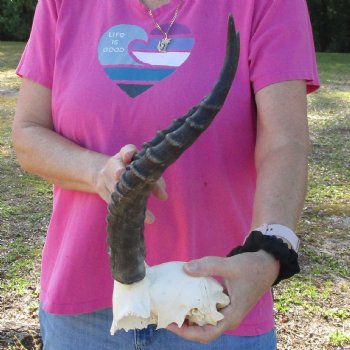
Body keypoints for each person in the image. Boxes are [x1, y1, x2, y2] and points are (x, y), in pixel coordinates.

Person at [12, 0, 319, 349]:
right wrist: (98, 172)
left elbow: (285, 143)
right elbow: (28, 134)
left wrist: (268, 250)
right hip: (83, 309)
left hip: (212, 299)